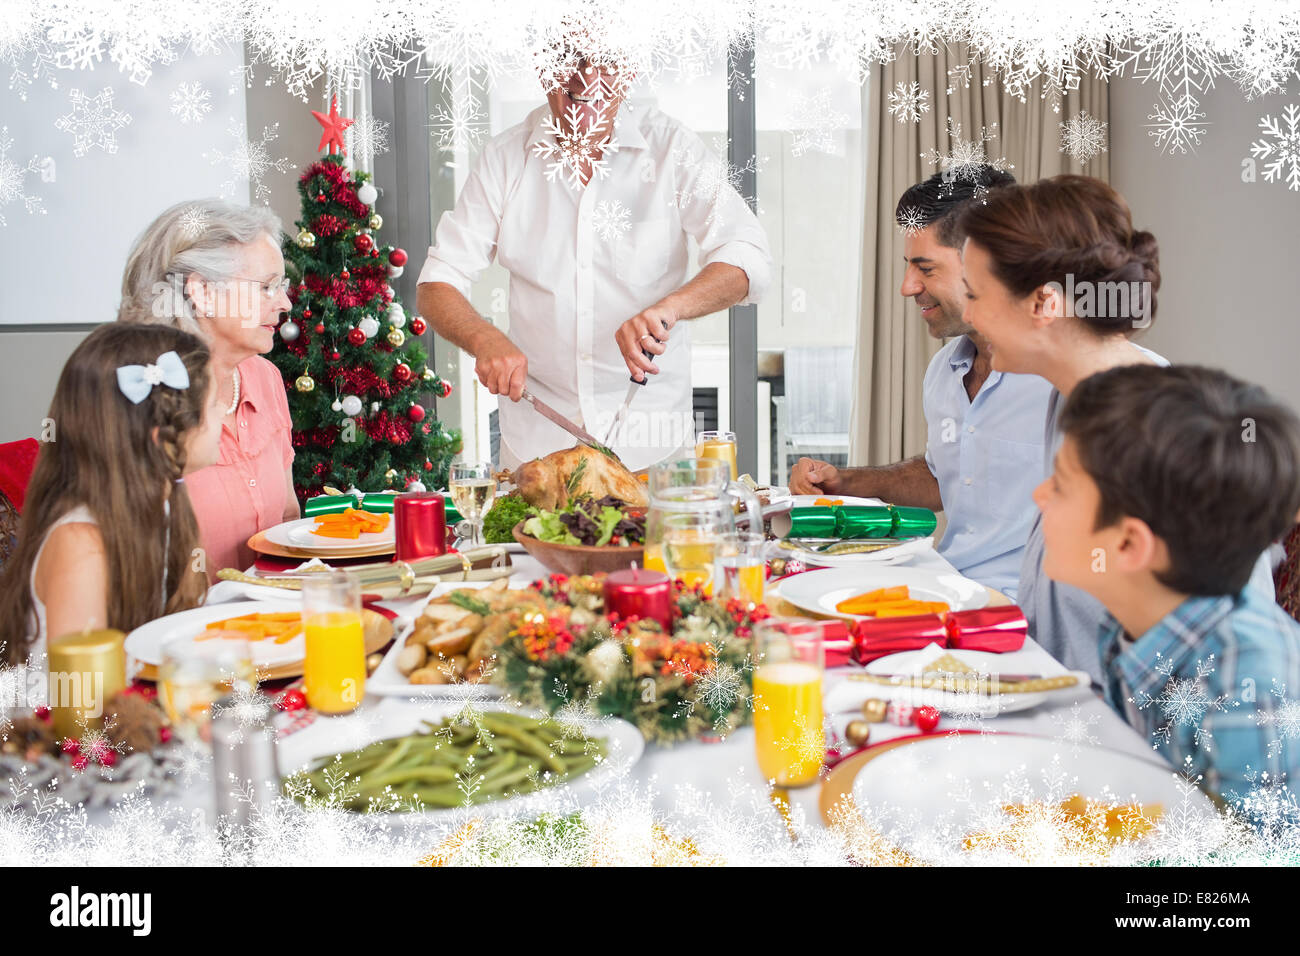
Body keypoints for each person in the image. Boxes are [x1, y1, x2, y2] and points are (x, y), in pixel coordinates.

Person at [954, 174, 1278, 681]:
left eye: (974, 295)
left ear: (1044, 304)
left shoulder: (1163, 433)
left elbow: (1236, 658)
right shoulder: (1071, 397)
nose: (967, 316)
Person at [416, 45, 772, 471]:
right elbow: (438, 282)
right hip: (537, 450)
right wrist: (483, 338)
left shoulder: (671, 148)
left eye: (602, 59)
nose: (585, 74)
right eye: (569, 57)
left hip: (652, 447)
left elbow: (748, 258)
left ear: (629, 67)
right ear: (542, 67)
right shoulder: (505, 158)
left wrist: (670, 308)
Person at [1040, 364, 1300, 805]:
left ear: (1127, 544)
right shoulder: (1135, 622)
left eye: (1060, 485)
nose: (1038, 495)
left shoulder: (1244, 692)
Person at [789, 168, 1052, 598]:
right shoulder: (947, 369)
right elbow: (943, 477)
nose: (907, 287)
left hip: (1026, 615)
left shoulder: (1077, 379)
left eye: (924, 268)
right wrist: (845, 482)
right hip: (948, 584)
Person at [0, 324, 221, 668]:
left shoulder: (168, 500)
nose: (223, 412)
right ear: (160, 437)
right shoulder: (81, 545)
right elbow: (81, 706)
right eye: (214, 403)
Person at [118, 199, 299, 575]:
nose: (284, 303)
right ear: (202, 291)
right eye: (266, 287)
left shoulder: (265, 378)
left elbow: (287, 516)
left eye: (281, 286)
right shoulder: (139, 396)